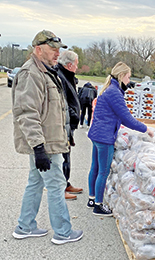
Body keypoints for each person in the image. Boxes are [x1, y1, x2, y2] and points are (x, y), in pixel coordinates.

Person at [11, 30, 83, 244]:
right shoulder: (31, 73)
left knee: (35, 182)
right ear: (38, 48)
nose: (56, 54)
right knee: (56, 184)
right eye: (52, 49)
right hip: (45, 145)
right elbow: (26, 112)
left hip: (49, 142)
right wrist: (39, 147)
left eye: (58, 50)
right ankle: (63, 232)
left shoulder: (46, 71)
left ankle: (25, 226)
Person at [86, 62, 154, 216]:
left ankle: (92, 199)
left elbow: (117, 116)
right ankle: (98, 205)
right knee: (103, 171)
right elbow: (127, 118)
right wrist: (146, 129)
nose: (129, 81)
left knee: (95, 167)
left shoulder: (109, 89)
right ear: (122, 76)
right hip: (104, 137)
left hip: (96, 134)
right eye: (128, 77)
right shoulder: (114, 92)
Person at [56, 50, 83, 200]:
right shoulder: (61, 76)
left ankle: (65, 183)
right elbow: (63, 102)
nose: (77, 68)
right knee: (63, 157)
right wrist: (74, 115)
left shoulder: (68, 76)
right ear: (69, 65)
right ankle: (61, 188)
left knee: (67, 155)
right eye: (76, 65)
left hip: (69, 124)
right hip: (64, 123)